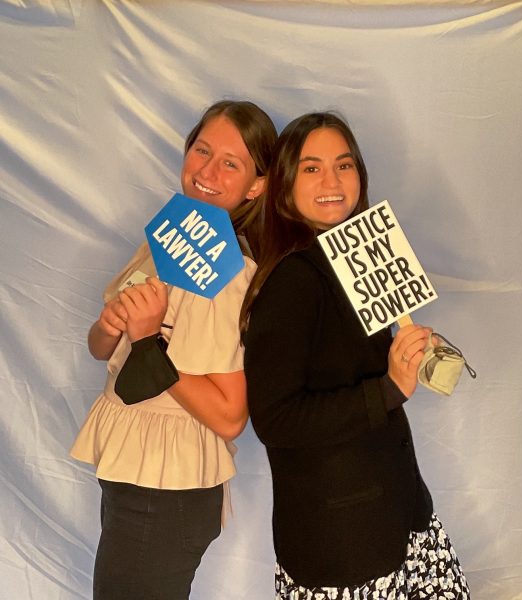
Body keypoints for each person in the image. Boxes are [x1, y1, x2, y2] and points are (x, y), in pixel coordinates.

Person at [241, 112, 470, 599]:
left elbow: (344, 363)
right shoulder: (291, 281)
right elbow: (276, 420)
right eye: (312, 168)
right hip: (343, 546)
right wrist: (387, 389)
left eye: (344, 165)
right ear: (285, 183)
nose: (332, 182)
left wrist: (407, 353)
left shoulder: (351, 258)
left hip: (402, 519)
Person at [70, 100, 277, 600]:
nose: (208, 171)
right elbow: (103, 350)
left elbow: (230, 416)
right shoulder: (167, 237)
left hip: (165, 490)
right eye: (202, 151)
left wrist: (147, 340)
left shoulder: (229, 273)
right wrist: (110, 326)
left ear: (256, 185)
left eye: (231, 163)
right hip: (133, 471)